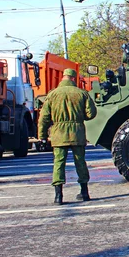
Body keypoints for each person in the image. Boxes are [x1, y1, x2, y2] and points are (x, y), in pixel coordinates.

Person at [38, 68, 97, 205]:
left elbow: (44, 118)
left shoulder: (52, 95)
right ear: (73, 78)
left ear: (63, 78)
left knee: (59, 163)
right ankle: (84, 192)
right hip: (77, 133)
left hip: (58, 133)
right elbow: (91, 113)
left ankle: (58, 196)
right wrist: (79, 117)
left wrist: (42, 136)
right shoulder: (82, 93)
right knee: (80, 162)